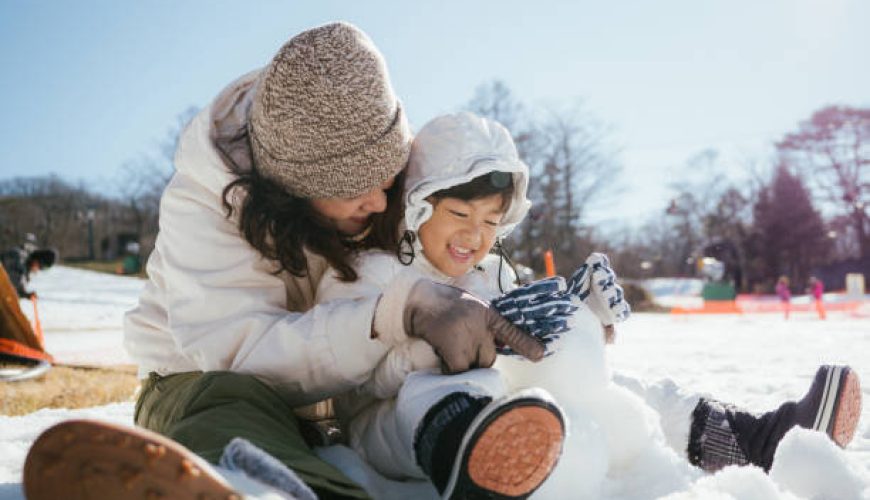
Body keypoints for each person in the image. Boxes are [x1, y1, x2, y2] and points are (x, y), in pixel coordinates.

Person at [23, 22, 548, 500]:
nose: (380, 203)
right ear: (294, 190)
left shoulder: (382, 168)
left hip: (343, 402)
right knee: (234, 416)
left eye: (388, 178)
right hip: (204, 383)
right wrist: (398, 311)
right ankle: (258, 490)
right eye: (352, 190)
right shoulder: (203, 205)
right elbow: (239, 354)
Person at [316, 112, 862, 495]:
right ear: (417, 207)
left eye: (489, 222)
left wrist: (576, 319)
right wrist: (448, 344)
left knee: (625, 391)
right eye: (460, 215)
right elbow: (356, 375)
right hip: (398, 428)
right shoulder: (375, 270)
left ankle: (757, 438)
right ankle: (477, 464)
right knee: (455, 384)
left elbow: (536, 343)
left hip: (516, 410)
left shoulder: (492, 273)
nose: (475, 236)